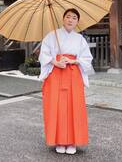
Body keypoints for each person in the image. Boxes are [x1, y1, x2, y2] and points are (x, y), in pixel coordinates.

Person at [38, 8, 95, 155]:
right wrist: (54, 61)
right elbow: (43, 54)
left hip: (73, 74)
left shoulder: (80, 39)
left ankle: (72, 141)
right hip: (55, 74)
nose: (70, 20)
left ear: (77, 22)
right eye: (68, 17)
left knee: (73, 107)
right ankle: (59, 140)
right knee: (56, 107)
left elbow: (87, 58)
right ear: (63, 19)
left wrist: (74, 60)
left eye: (74, 18)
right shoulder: (51, 36)